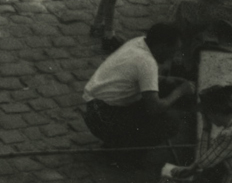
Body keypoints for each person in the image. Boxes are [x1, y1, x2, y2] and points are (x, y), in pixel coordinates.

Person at [81, 23, 192, 152]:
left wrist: (166, 80)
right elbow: (154, 108)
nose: (174, 56)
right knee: (171, 122)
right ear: (162, 46)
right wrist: (180, 91)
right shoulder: (147, 62)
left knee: (165, 87)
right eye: (173, 50)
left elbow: (137, 76)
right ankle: (126, 151)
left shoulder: (138, 42)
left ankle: (120, 142)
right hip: (103, 118)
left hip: (94, 108)